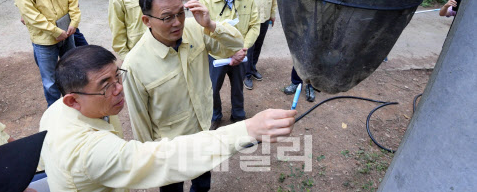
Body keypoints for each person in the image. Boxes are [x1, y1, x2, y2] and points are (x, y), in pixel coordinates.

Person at [39, 45, 296, 192]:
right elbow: (166, 157)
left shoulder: (57, 112)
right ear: (72, 99)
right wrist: (247, 130)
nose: (119, 88)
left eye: (118, 76)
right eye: (106, 85)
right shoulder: (89, 150)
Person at [122, 0, 244, 192]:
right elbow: (139, 119)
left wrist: (211, 25)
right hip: (170, 147)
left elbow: (234, 45)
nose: (177, 23)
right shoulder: (134, 65)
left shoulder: (195, 29)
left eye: (180, 13)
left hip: (203, 130)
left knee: (202, 183)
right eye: (167, 17)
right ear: (146, 20)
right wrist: (150, 159)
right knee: (171, 188)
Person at [12, 0, 81, 107]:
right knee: (50, 81)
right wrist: (56, 31)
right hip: (45, 41)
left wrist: (74, 21)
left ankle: (76, 105)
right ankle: (55, 112)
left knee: (72, 72)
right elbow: (31, 15)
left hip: (68, 33)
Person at [200, 0, 260, 130]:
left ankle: (238, 115)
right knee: (212, 89)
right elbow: (204, 33)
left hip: (241, 54)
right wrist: (230, 51)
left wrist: (242, 49)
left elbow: (254, 25)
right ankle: (215, 115)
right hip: (216, 56)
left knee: (238, 88)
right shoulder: (206, 0)